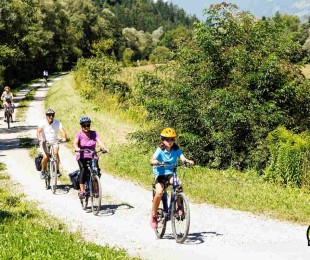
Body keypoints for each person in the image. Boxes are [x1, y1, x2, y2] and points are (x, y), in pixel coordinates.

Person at [150, 127, 194, 229]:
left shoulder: (176, 149)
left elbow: (183, 158)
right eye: (167, 139)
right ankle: (154, 215)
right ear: (162, 140)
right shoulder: (159, 150)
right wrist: (154, 161)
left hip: (171, 173)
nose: (170, 142)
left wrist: (187, 161)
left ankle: (179, 207)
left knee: (178, 184)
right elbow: (153, 159)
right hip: (160, 174)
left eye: (172, 139)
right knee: (159, 192)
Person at [73, 116, 108, 199]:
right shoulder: (79, 134)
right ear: (81, 126)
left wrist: (104, 148)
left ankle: (95, 187)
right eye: (84, 126)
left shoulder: (94, 133)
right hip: (82, 155)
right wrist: (77, 148)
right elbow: (75, 143)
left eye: (88, 125)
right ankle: (82, 190)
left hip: (92, 154)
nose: (86, 127)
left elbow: (100, 141)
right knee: (83, 170)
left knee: (97, 171)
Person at [37, 108, 67, 180]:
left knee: (56, 154)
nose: (51, 117)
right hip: (45, 142)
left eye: (52, 115)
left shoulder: (57, 122)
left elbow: (63, 131)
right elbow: (38, 131)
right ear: (46, 116)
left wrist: (64, 137)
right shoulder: (42, 122)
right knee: (46, 157)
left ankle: (57, 170)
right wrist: (40, 138)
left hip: (55, 141)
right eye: (49, 115)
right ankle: (43, 171)